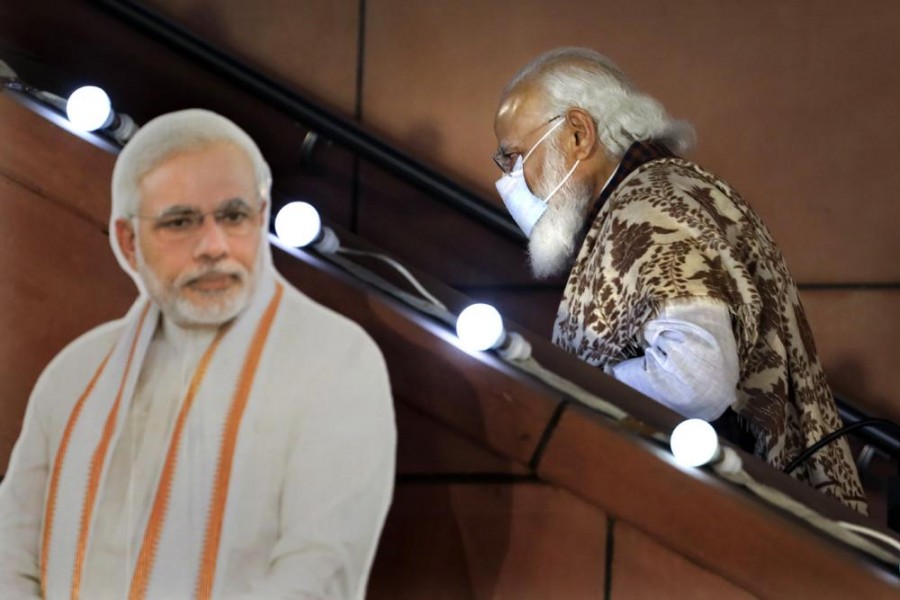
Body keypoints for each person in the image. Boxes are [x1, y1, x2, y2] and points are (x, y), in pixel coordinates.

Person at [0, 109, 397, 598]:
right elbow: (11, 552)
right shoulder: (76, 374)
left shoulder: (335, 363)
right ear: (128, 241)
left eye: (233, 216)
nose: (213, 245)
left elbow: (318, 573)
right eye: (181, 221)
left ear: (262, 214)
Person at [492, 47, 866, 513]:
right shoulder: (659, 192)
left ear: (577, 134)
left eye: (513, 157)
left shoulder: (650, 207)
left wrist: (576, 384)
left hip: (727, 516)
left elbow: (696, 380)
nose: (509, 181)